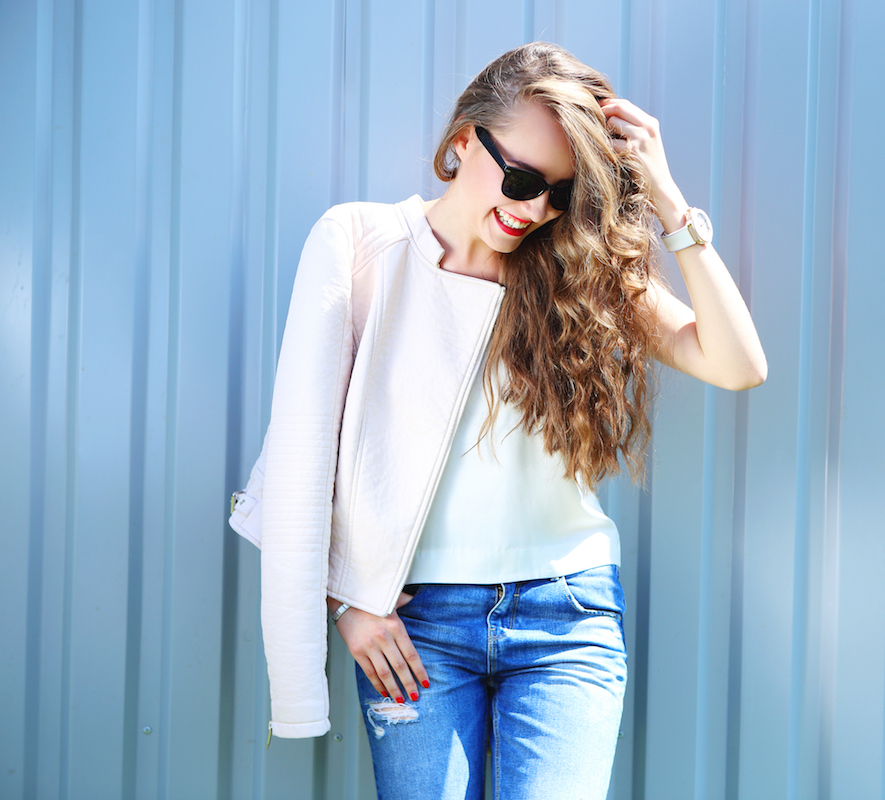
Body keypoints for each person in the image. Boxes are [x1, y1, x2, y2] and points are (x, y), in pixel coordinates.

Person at [231, 41, 766, 800]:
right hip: (420, 626)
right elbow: (302, 455)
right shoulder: (361, 244)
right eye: (520, 178)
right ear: (461, 141)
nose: (533, 208)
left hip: (567, 616)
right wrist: (345, 601)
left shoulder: (576, 266)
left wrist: (672, 201)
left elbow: (738, 364)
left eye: (559, 193)